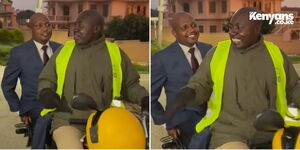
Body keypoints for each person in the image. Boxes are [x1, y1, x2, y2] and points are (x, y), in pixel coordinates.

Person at [165, 7, 300, 149]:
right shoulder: (217, 53)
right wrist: (188, 93)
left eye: (239, 27)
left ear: (257, 28)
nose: (233, 31)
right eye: (231, 27)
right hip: (228, 134)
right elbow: (200, 84)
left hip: (272, 134)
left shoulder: (276, 54)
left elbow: (294, 88)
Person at [37, 10, 149, 149]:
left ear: (96, 29)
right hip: (68, 121)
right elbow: (46, 80)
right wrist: (46, 93)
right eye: (75, 26)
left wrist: (144, 99)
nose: (75, 29)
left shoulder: (114, 53)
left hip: (107, 121)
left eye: (80, 26)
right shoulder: (64, 51)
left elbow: (131, 85)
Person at [151, 12, 212, 148]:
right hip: (184, 121)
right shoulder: (162, 59)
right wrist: (168, 122)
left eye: (193, 25)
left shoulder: (209, 50)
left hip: (212, 117)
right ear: (174, 33)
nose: (191, 30)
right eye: (184, 28)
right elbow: (152, 98)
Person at [1, 13, 61, 148]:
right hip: (33, 105)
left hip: (60, 102)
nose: (45, 29)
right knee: (46, 119)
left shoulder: (61, 49)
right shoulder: (19, 53)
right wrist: (20, 109)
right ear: (31, 29)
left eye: (47, 25)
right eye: (39, 26)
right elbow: (7, 85)